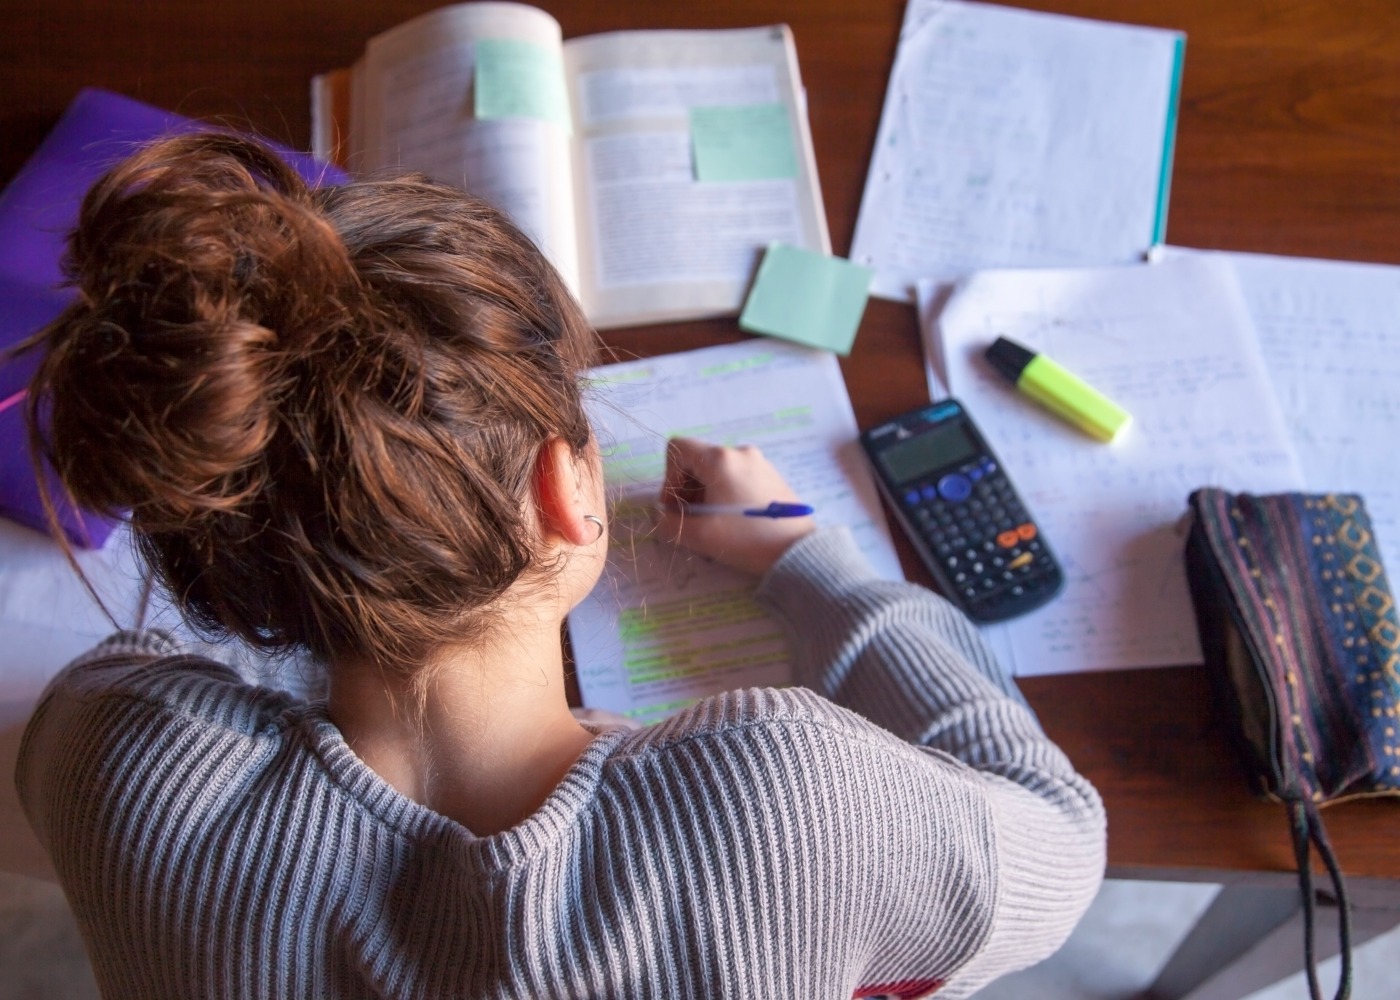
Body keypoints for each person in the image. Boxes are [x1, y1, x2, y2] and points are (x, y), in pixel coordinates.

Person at [15, 132, 1105, 1000]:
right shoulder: (784, 802)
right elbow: (1059, 843)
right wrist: (802, 555)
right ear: (564, 491)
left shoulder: (119, 762)